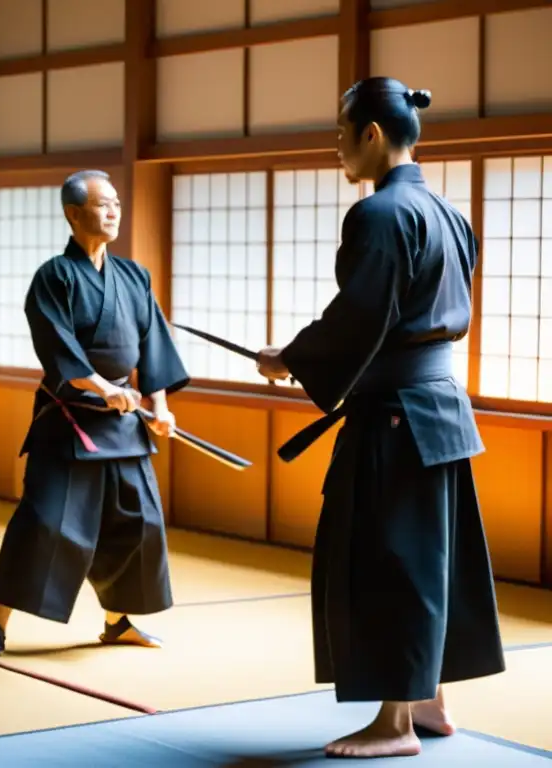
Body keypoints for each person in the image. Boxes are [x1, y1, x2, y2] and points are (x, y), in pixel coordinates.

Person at [256, 78, 505, 759]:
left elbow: (363, 317)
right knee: (428, 561)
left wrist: (293, 357)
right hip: (439, 413)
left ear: (371, 134)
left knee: (389, 562)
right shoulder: (447, 213)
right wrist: (310, 354)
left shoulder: (382, 214)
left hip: (397, 419)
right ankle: (427, 703)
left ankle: (393, 726)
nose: (337, 146)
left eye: (341, 134)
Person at [0, 170, 189, 663]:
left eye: (116, 203)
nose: (114, 211)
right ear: (73, 213)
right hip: (69, 421)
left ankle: (117, 622)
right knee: (44, 523)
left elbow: (152, 349)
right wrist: (105, 388)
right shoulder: (55, 276)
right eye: (102, 204)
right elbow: (58, 347)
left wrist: (160, 408)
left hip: (124, 425)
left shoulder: (135, 276)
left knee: (137, 524)